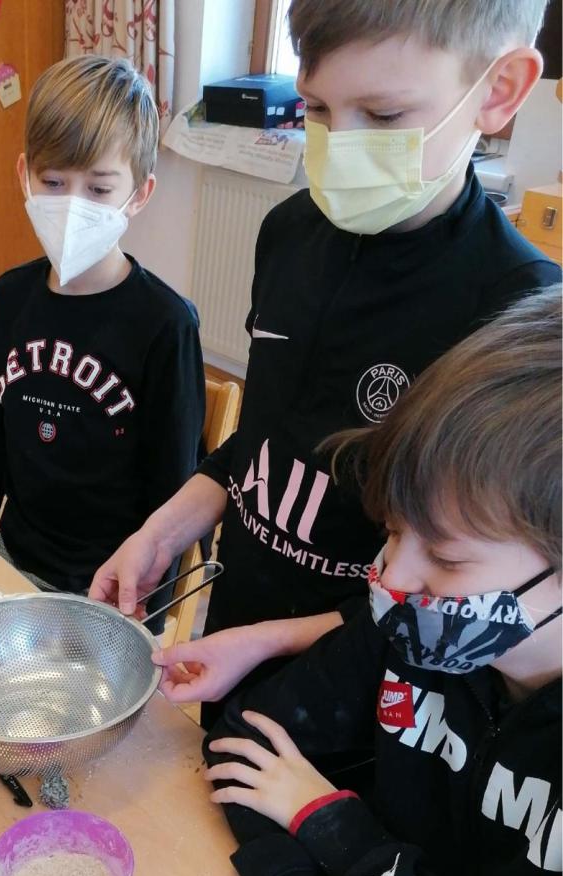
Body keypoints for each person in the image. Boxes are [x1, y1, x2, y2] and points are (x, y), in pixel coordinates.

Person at [90, 0, 560, 717]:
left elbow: (456, 596)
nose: (339, 144)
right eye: (315, 109)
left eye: (382, 115)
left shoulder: (517, 311)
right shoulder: (287, 234)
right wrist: (166, 528)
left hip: (370, 709)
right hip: (238, 637)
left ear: (497, 92)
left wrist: (271, 642)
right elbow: (267, 437)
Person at [204, 288, 561, 876]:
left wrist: (336, 835)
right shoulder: (422, 626)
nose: (390, 579)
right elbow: (242, 747)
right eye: (393, 532)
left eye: (442, 553)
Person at [0, 55, 204, 607]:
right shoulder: (7, 299)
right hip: (12, 559)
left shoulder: (165, 324)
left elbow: (174, 492)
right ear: (24, 175)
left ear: (138, 194)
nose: (71, 205)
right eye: (52, 181)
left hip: (109, 589)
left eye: (98, 189)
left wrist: (146, 606)